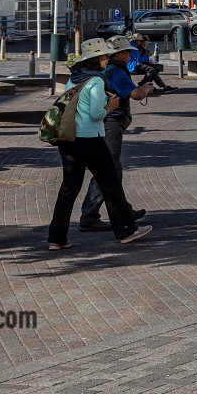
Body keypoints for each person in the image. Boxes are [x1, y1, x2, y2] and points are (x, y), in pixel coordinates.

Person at [47, 38, 151, 250]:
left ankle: (56, 238)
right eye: (103, 56)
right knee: (110, 183)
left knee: (69, 188)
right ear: (95, 60)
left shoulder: (73, 79)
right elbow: (95, 115)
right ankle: (126, 231)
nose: (106, 60)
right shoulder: (96, 81)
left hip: (68, 140)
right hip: (90, 139)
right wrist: (111, 106)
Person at [80, 35, 152, 232]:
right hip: (111, 123)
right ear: (117, 54)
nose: (130, 55)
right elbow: (135, 95)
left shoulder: (107, 70)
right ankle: (91, 215)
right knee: (108, 169)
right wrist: (146, 88)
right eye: (127, 51)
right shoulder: (116, 72)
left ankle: (123, 210)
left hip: (105, 124)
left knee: (114, 169)